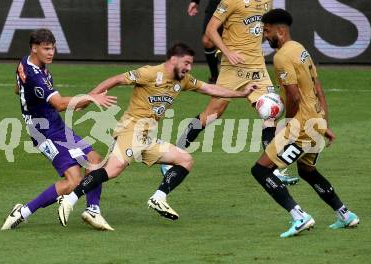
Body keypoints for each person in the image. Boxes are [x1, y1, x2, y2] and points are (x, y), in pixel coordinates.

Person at [57, 43, 257, 226]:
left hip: (146, 138)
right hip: (131, 130)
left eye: (191, 64)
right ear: (173, 59)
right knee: (113, 170)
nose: (189, 68)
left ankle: (159, 197)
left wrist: (242, 93)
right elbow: (116, 79)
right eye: (186, 62)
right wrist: (90, 97)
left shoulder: (183, 80)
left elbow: (210, 88)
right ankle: (70, 198)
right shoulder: (150, 73)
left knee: (185, 159)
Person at [163, 0, 300, 185]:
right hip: (232, 68)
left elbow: (262, 29)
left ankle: (272, 169)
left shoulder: (267, 1)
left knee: (270, 114)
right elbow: (211, 30)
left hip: (257, 67)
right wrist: (227, 52)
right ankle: (173, 156)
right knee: (211, 115)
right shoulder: (230, 1)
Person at [251, 9, 359, 238]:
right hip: (315, 122)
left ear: (280, 31)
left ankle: (299, 216)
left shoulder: (281, 57)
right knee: (307, 171)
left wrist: (287, 124)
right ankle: (345, 214)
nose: (265, 36)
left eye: (267, 31)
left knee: (261, 170)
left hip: (301, 126)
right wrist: (324, 123)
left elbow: (293, 96)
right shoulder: (301, 49)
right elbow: (317, 88)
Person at [0, 29, 117, 231]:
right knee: (73, 181)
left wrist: (88, 98)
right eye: (46, 48)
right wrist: (90, 98)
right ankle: (22, 212)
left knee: (94, 160)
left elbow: (17, 88)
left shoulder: (25, 63)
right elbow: (61, 104)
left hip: (56, 126)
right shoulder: (36, 76)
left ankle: (92, 210)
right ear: (34, 48)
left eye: (53, 48)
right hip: (44, 133)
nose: (51, 52)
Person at [187, 0, 221, 83]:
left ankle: (243, 75)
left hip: (238, 4)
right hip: (216, 5)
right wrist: (195, 1)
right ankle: (215, 76)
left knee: (235, 39)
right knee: (207, 41)